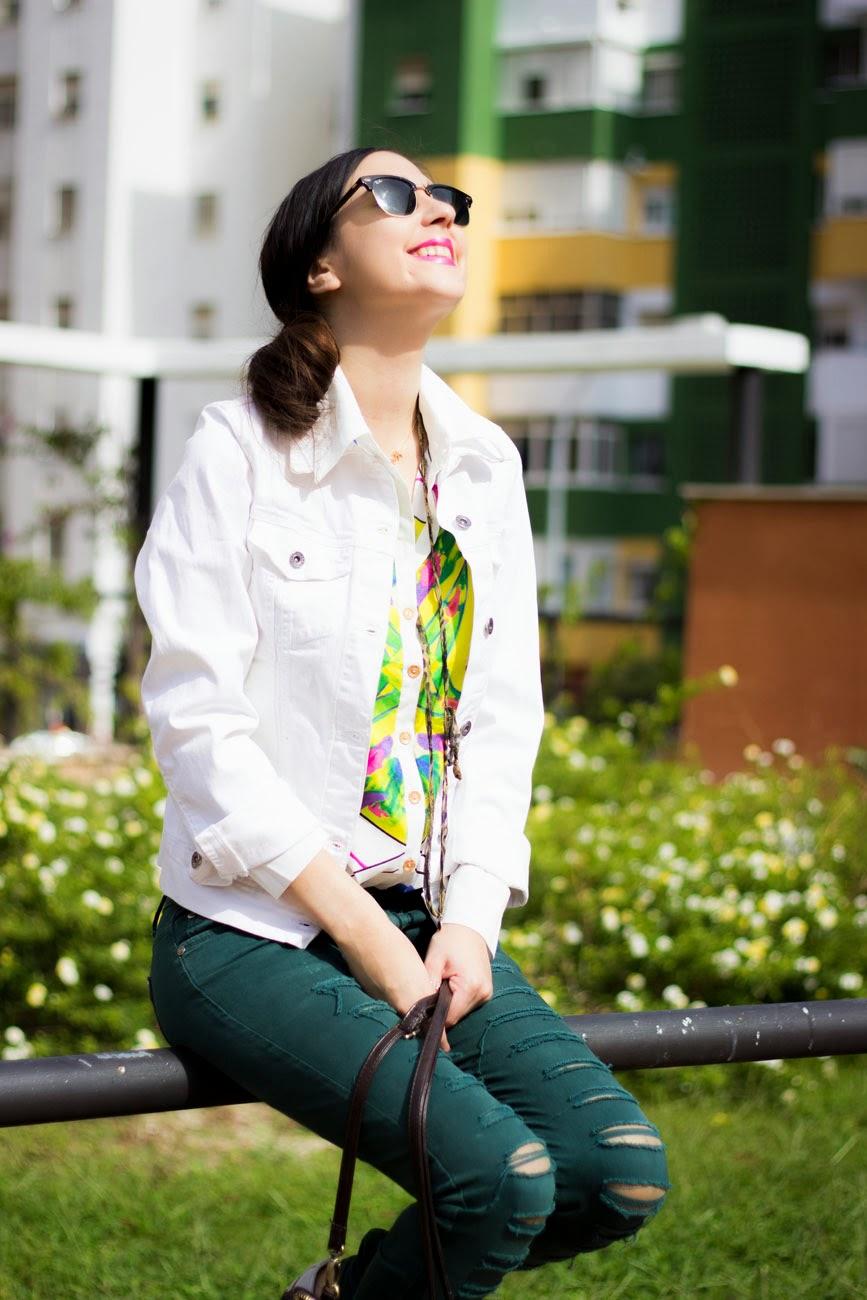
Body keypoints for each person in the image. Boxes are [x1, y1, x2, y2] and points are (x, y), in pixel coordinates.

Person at [135, 145, 671, 1300]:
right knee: (505, 1181)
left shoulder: (483, 465)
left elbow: (500, 718)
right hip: (247, 932)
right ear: (318, 265)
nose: (437, 208)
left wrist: (467, 924)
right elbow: (195, 720)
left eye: (450, 198)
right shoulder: (238, 450)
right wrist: (368, 939)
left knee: (613, 1171)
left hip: (426, 916)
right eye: (394, 193)